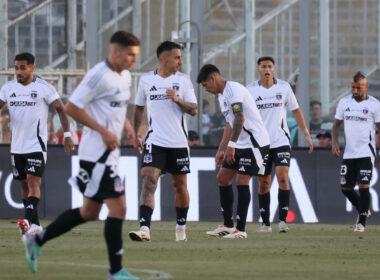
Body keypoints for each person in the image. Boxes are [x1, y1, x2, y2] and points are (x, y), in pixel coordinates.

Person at [21, 31, 140, 280]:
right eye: (130, 54)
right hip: (96, 155)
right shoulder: (98, 75)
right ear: (116, 52)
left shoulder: (126, 75)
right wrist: (104, 131)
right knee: (119, 207)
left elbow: (115, 107)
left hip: (110, 153)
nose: (134, 60)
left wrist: (127, 126)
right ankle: (116, 271)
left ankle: (37, 240)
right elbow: (72, 107)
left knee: (89, 213)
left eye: (136, 55)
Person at [129, 41, 198, 242]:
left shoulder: (183, 81)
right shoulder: (145, 81)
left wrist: (178, 100)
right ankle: (144, 229)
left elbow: (194, 109)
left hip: (178, 143)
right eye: (177, 57)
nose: (180, 61)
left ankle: (180, 228)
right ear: (163, 58)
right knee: (148, 181)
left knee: (180, 186)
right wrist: (135, 134)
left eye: (180, 57)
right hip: (155, 140)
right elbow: (139, 109)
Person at [0, 52, 75, 235]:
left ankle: (25, 219)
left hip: (36, 145)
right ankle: (35, 225)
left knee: (34, 182)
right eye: (16, 68)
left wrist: (67, 135)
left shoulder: (43, 88)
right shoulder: (8, 88)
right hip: (16, 146)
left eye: (22, 68)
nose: (18, 71)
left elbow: (61, 110)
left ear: (32, 68)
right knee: (24, 185)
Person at [197, 64, 270, 239]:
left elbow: (240, 118)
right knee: (222, 178)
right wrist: (221, 149)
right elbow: (230, 124)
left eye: (206, 85)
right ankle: (228, 226)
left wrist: (232, 145)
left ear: (213, 79)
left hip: (255, 143)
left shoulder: (234, 90)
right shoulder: (222, 97)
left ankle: (241, 230)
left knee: (242, 180)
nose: (206, 89)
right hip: (240, 144)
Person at [247, 56, 313, 233]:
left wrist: (306, 133)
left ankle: (283, 221)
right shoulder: (250, 90)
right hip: (261, 144)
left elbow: (296, 110)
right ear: (258, 70)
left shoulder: (284, 88)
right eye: (263, 66)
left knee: (283, 177)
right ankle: (265, 223)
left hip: (281, 141)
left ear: (274, 69)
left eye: (269, 66)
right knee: (264, 184)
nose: (267, 69)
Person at [332, 72, 380, 233]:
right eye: (352, 87)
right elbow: (336, 124)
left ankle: (361, 222)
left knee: (364, 185)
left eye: (358, 88)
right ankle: (363, 209)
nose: (354, 91)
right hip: (349, 153)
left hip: (367, 152)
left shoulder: (374, 105)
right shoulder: (344, 102)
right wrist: (334, 143)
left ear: (365, 87)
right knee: (345, 188)